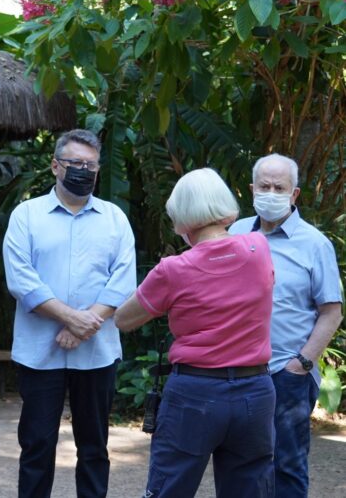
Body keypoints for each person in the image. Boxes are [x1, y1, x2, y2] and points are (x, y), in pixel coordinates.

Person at [115, 168, 276, 498]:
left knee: (169, 487)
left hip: (195, 393)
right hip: (255, 391)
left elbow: (124, 319)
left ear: (182, 217)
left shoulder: (174, 269)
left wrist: (161, 281)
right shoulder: (258, 248)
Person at [2, 129, 136, 498]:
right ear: (55, 166)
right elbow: (21, 278)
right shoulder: (26, 215)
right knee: (36, 446)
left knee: (94, 447)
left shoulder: (114, 219)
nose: (83, 170)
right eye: (75, 163)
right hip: (38, 353)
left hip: (96, 352)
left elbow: (122, 280)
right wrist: (70, 318)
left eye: (90, 165)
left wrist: (82, 325)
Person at [229, 154, 343, 497]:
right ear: (251, 189)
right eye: (264, 186)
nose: (272, 192)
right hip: (236, 370)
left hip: (286, 371)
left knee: (287, 466)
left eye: (280, 187)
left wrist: (302, 363)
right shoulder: (233, 233)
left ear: (294, 194)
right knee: (240, 463)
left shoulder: (314, 244)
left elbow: (332, 312)